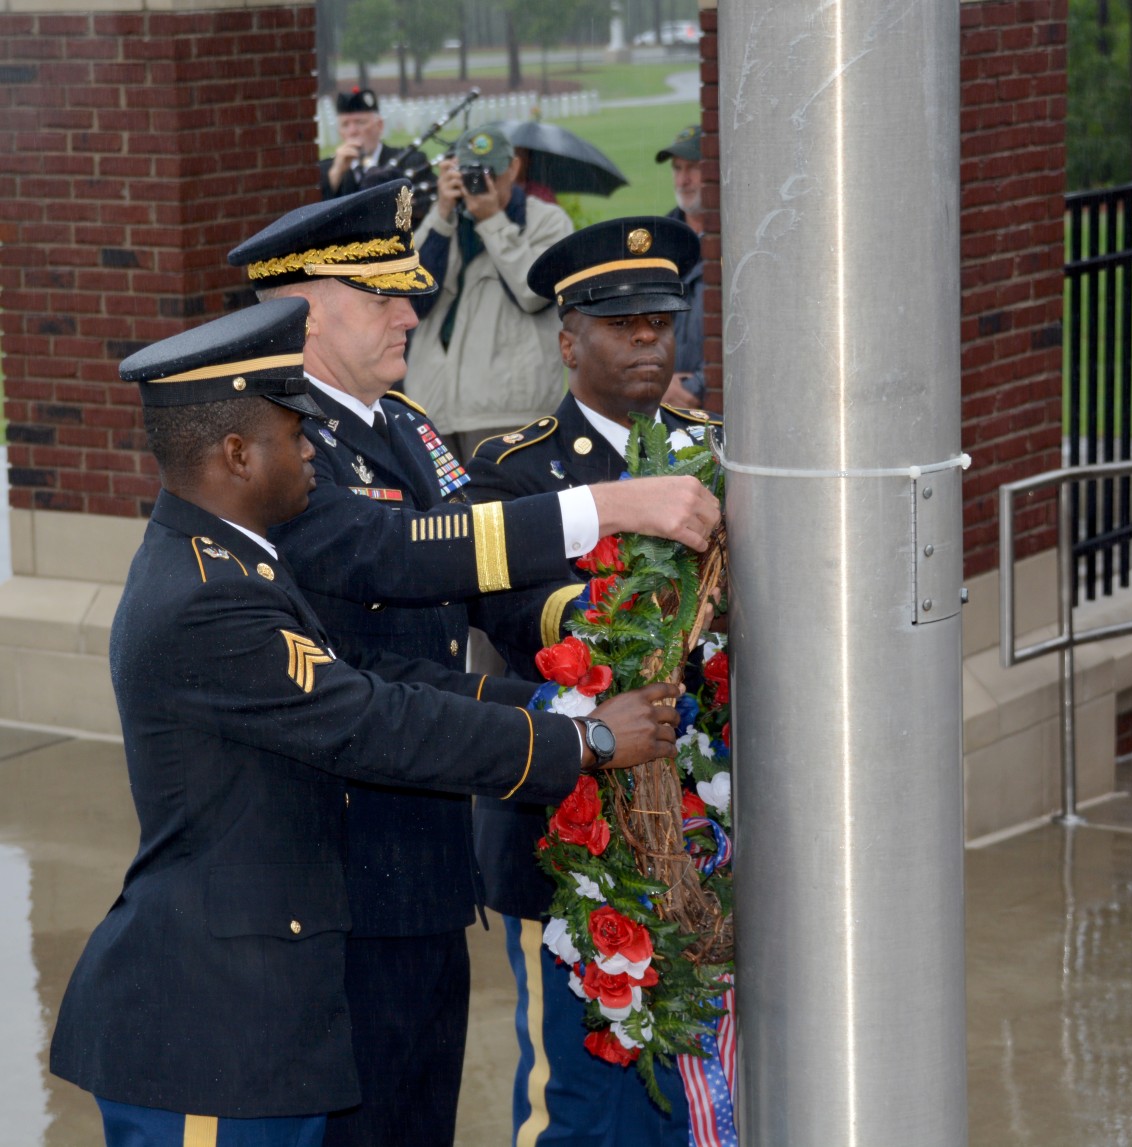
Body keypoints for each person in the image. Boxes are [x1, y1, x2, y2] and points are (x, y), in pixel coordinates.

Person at [48, 297, 686, 1147]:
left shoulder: (236, 566)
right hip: (211, 1028)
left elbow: (380, 684)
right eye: (294, 435)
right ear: (237, 454)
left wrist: (550, 706)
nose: (313, 449)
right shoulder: (209, 597)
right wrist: (586, 739)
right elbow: (369, 722)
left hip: (262, 1016)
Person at [226, 182, 722, 1147]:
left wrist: (560, 716)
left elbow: (446, 624)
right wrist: (607, 511)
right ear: (303, 311)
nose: (411, 311)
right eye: (381, 298)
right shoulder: (280, 440)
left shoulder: (402, 423)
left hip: (425, 854)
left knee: (419, 1118)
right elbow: (399, 554)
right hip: (335, 869)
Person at [467, 216, 721, 1147]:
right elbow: (515, 617)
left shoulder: (717, 452)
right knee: (578, 1108)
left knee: (708, 1095)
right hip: (575, 834)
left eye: (662, 317)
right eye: (623, 323)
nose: (651, 337)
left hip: (707, 839)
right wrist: (661, 603)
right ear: (570, 339)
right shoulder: (512, 472)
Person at [404, 123, 574, 461]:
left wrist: (493, 221)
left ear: (513, 168)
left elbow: (533, 294)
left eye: (490, 173)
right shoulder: (445, 220)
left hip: (510, 412)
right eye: (469, 173)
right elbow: (412, 299)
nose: (481, 183)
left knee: (506, 514)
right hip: (434, 409)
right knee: (447, 515)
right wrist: (440, 216)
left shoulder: (549, 222)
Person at [655, 125, 707, 409]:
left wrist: (698, 385)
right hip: (663, 406)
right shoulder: (657, 242)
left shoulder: (739, 241)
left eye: (692, 168)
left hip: (716, 406)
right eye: (677, 168)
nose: (683, 180)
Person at [320, 88, 404, 200]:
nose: (352, 131)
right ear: (340, 132)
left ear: (379, 125)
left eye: (360, 122)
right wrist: (336, 175)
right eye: (345, 125)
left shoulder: (406, 160)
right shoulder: (326, 170)